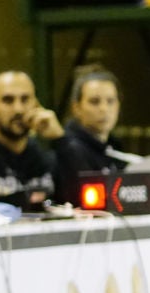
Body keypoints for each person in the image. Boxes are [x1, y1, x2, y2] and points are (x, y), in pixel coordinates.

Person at [0, 71, 63, 209]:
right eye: (8, 100)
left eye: (25, 99)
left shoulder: (47, 156)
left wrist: (61, 139)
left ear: (36, 105)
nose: (18, 109)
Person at [54, 70, 133, 205]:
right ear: (76, 107)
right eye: (94, 102)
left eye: (110, 101)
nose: (104, 108)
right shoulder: (68, 148)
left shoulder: (115, 147)